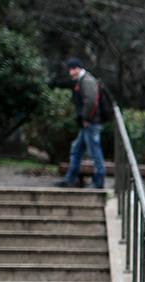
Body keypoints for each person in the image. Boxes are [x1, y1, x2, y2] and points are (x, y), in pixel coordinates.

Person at [55, 58, 107, 189]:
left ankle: (98, 181)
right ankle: (70, 178)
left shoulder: (87, 81)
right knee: (77, 149)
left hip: (91, 123)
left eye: (71, 70)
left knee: (94, 152)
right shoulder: (82, 81)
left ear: (77, 68)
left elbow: (91, 102)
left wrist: (85, 118)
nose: (70, 73)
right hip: (88, 123)